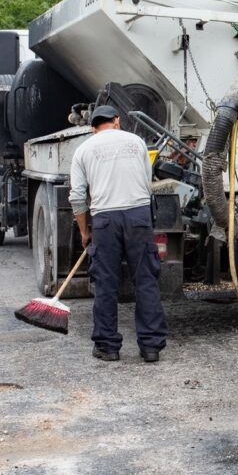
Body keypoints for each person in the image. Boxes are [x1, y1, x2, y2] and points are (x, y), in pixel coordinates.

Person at [69, 105, 167, 363]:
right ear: (117, 121)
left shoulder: (83, 150)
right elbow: (147, 182)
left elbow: (77, 198)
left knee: (106, 284)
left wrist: (84, 232)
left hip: (104, 220)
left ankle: (107, 346)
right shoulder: (137, 143)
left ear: (92, 127)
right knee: (145, 280)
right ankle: (150, 347)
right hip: (138, 215)